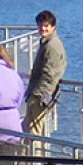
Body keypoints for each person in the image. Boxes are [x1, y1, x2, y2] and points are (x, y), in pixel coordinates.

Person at [23, 10, 67, 138]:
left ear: (53, 27)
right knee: (30, 128)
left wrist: (37, 94)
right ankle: (33, 156)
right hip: (39, 93)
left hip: (41, 95)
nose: (43, 28)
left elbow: (50, 74)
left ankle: (35, 157)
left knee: (34, 131)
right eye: (41, 25)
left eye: (46, 26)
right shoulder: (46, 42)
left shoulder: (52, 45)